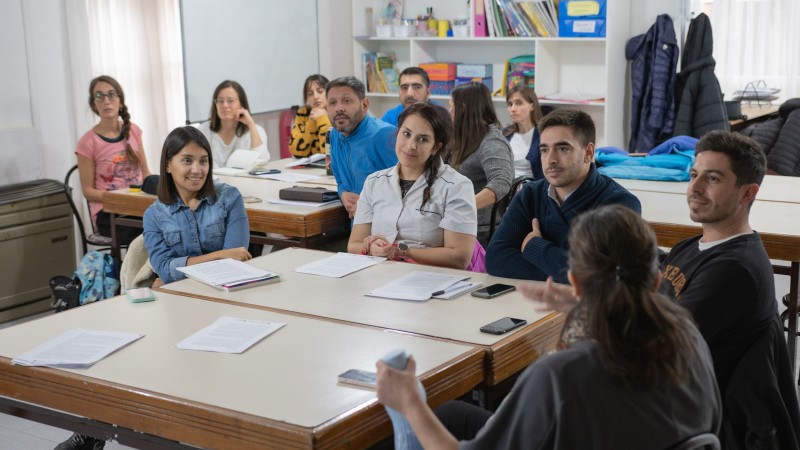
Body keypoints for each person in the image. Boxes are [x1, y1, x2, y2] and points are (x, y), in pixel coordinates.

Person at [376, 205, 721, 449]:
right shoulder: (688, 336)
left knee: (432, 417)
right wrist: (589, 309)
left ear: (574, 282)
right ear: (657, 278)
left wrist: (409, 402)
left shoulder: (560, 374)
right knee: (453, 414)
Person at [658, 130, 799, 448]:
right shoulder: (692, 246)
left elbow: (651, 347)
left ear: (747, 193)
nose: (694, 188)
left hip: (692, 422)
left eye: (713, 179)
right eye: (694, 175)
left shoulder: (735, 271)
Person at [486, 109, 641, 282]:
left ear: (589, 153)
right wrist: (568, 269)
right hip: (532, 303)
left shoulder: (619, 203)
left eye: (562, 148)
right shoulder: (530, 194)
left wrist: (534, 247)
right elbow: (496, 259)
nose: (551, 159)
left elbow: (601, 277)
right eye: (544, 150)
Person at [348, 102, 476, 270]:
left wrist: (402, 251)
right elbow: (354, 244)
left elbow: (459, 257)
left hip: (430, 279)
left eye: (423, 139)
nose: (411, 145)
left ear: (436, 147)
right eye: (406, 134)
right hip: (379, 274)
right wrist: (371, 248)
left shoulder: (456, 186)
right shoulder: (374, 181)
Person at [143, 126, 251, 285]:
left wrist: (176, 271)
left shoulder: (230, 198)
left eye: (203, 161)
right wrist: (218, 256)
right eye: (187, 160)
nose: (197, 170)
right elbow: (164, 270)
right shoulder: (153, 215)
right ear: (167, 165)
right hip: (182, 296)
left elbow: (235, 263)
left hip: (226, 292)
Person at [75, 75, 151, 246]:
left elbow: (146, 174)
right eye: (99, 96)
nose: (106, 101)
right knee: (151, 230)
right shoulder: (87, 142)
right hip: (108, 213)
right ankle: (137, 272)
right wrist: (119, 198)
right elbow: (87, 191)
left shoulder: (134, 131)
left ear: (120, 101)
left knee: (171, 220)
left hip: (137, 206)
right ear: (94, 103)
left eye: (111, 95)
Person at [447, 81, 514, 245]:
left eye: (451, 106)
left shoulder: (491, 141)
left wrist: (464, 206)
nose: (449, 111)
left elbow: (501, 181)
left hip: (477, 230)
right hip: (454, 223)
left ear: (462, 108)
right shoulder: (464, 138)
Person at [327, 76, 397, 219]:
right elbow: (339, 178)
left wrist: (368, 204)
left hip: (387, 226)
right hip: (357, 225)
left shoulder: (384, 135)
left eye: (346, 101)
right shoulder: (335, 134)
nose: (339, 108)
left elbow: (409, 186)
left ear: (364, 105)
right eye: (332, 103)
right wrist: (343, 194)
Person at [198, 80, 269, 168]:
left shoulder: (256, 130)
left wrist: (251, 124)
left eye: (230, 101)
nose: (224, 105)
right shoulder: (203, 131)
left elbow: (262, 160)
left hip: (243, 181)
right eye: (220, 101)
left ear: (241, 104)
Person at [503, 85, 544, 179]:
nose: (512, 109)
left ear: (532, 106)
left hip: (530, 188)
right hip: (505, 187)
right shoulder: (504, 134)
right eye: (510, 104)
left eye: (518, 103)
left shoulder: (543, 135)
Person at [289, 74, 331, 158]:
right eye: (310, 94)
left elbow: (330, 153)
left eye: (320, 91)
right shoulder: (303, 113)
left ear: (329, 92)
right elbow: (296, 152)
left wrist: (322, 119)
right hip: (309, 168)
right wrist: (312, 121)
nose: (315, 97)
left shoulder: (338, 113)